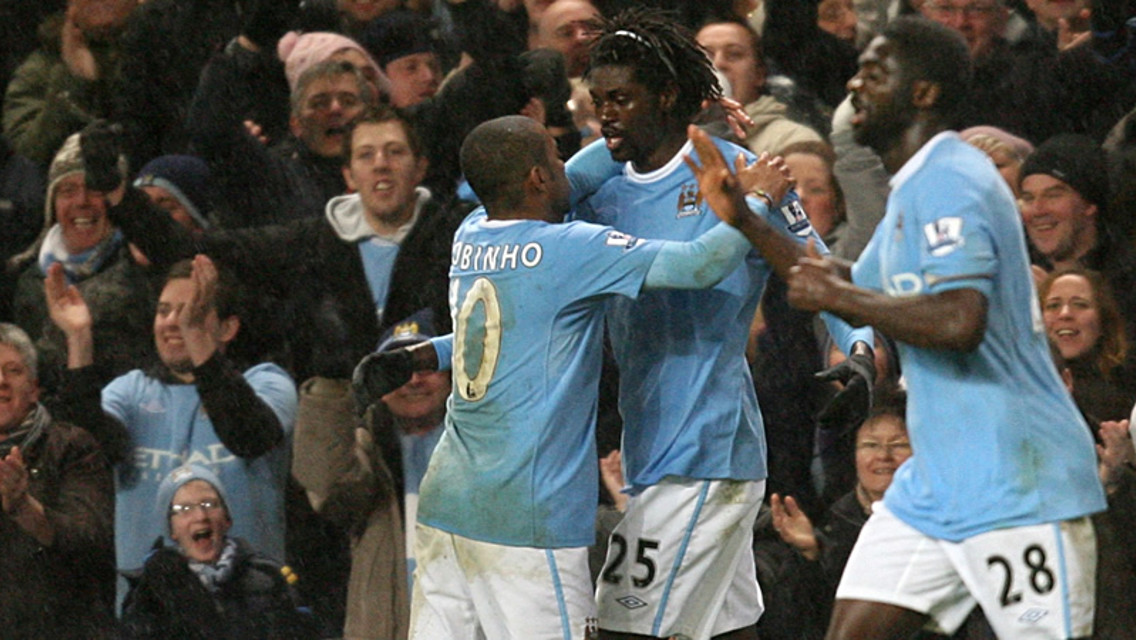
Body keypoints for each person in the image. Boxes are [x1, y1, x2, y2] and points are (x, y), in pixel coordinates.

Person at [774, 16, 1105, 638]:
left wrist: (839, 290)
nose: (854, 84)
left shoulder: (954, 177)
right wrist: (744, 219)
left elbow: (959, 322)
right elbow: (845, 291)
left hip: (1018, 483)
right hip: (934, 486)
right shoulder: (912, 188)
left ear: (922, 93)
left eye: (873, 73)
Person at [400, 113, 785, 638]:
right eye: (556, 158)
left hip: (447, 505)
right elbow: (701, 265)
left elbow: (580, 173)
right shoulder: (572, 248)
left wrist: (681, 115)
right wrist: (755, 201)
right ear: (537, 177)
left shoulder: (470, 235)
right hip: (525, 515)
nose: (568, 168)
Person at [573, 10, 873, 639]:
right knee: (728, 631)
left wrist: (862, 356)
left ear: (666, 95)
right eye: (598, 100)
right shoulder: (598, 190)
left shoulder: (743, 174)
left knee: (622, 627)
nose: (608, 115)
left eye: (622, 99)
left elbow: (819, 273)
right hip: (648, 446)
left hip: (710, 448)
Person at [47, 255, 298, 603]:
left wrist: (198, 342)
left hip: (250, 609)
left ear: (227, 328)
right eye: (164, 310)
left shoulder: (268, 383)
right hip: (153, 614)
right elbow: (93, 446)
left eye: (192, 310)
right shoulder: (131, 391)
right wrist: (78, 340)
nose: (172, 322)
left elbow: (248, 435)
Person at [9, 133, 155, 397]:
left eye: (95, 190)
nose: (82, 201)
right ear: (52, 204)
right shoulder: (27, 280)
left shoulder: (143, 266)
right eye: (67, 190)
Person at [0, 323, 116, 638]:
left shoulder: (72, 446)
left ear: (35, 388)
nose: (1, 382)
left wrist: (23, 507)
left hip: (63, 625)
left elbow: (89, 539)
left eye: (13, 371)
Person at [120, 464, 317, 640]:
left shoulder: (269, 576)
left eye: (209, 504)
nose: (201, 516)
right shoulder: (148, 586)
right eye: (184, 508)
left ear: (227, 518)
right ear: (171, 530)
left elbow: (302, 630)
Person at [696, 17, 824, 157]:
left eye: (734, 54)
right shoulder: (673, 137)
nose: (718, 64)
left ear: (759, 75)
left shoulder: (793, 140)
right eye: (706, 56)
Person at [1040, 268, 1136, 422]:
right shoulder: (1019, 387)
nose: (1065, 314)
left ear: (1103, 320)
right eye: (1053, 306)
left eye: (1080, 305)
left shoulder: (1125, 395)